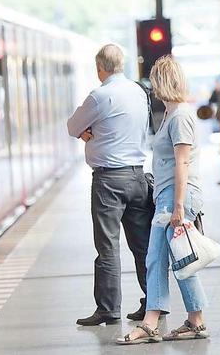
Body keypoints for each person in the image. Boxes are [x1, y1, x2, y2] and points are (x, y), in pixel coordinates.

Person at [117, 55, 210, 345]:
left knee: (161, 257)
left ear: (163, 82)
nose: (153, 88)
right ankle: (192, 321)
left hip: (176, 197)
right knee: (175, 258)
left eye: (155, 81)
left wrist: (178, 207)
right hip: (167, 196)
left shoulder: (180, 116)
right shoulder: (171, 113)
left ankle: (153, 323)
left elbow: (183, 162)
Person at [66, 44, 154, 325]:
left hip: (109, 182)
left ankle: (108, 309)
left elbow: (72, 127)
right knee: (142, 246)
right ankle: (154, 303)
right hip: (138, 177)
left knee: (107, 247)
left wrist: (87, 132)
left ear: (99, 68)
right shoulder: (139, 91)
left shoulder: (100, 96)